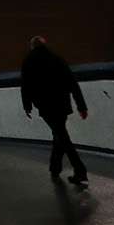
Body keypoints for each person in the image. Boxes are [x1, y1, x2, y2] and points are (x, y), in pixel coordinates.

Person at [20, 36, 89, 186]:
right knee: (60, 134)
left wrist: (27, 106)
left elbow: (25, 86)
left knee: (61, 136)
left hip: (45, 105)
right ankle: (55, 167)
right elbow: (72, 83)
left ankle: (80, 170)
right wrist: (81, 106)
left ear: (32, 46)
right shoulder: (57, 59)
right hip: (62, 103)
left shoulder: (29, 61)